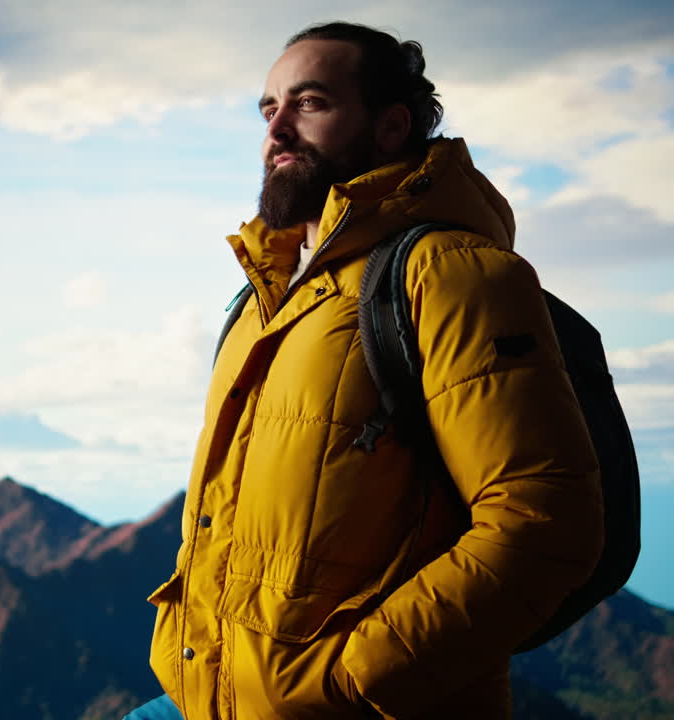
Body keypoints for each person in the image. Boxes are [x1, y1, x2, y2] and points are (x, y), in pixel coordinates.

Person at [127, 21, 604, 720]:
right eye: (269, 109)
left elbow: (547, 521)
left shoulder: (450, 275)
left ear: (390, 128)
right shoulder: (262, 299)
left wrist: (349, 681)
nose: (277, 129)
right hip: (214, 695)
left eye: (310, 103)